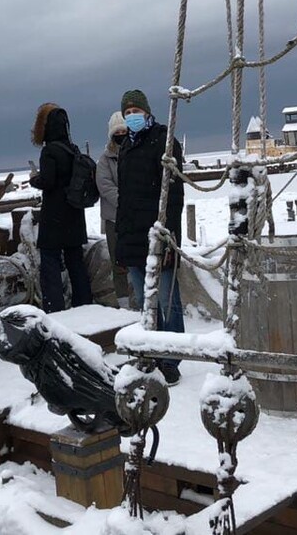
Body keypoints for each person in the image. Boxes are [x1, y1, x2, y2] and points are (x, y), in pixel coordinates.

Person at [114, 88, 185, 385]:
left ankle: (171, 358)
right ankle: (152, 352)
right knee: (145, 302)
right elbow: (124, 199)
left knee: (167, 300)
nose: (132, 116)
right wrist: (121, 241)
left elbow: (174, 194)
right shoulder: (125, 147)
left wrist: (170, 236)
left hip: (158, 232)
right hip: (132, 235)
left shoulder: (164, 141)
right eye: (128, 112)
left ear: (147, 112)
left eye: (136, 111)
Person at [29, 103, 93, 314]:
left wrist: (34, 179)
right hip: (74, 212)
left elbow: (48, 181)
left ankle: (55, 309)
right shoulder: (72, 149)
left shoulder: (49, 151)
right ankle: (84, 306)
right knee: (76, 263)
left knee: (50, 264)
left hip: (54, 216)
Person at [95, 111, 131, 307]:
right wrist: (125, 202)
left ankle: (145, 300)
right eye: (117, 132)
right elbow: (105, 186)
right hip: (114, 219)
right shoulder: (104, 160)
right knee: (118, 263)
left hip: (136, 218)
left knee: (140, 261)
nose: (121, 135)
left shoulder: (135, 153)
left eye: (124, 131)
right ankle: (124, 303)